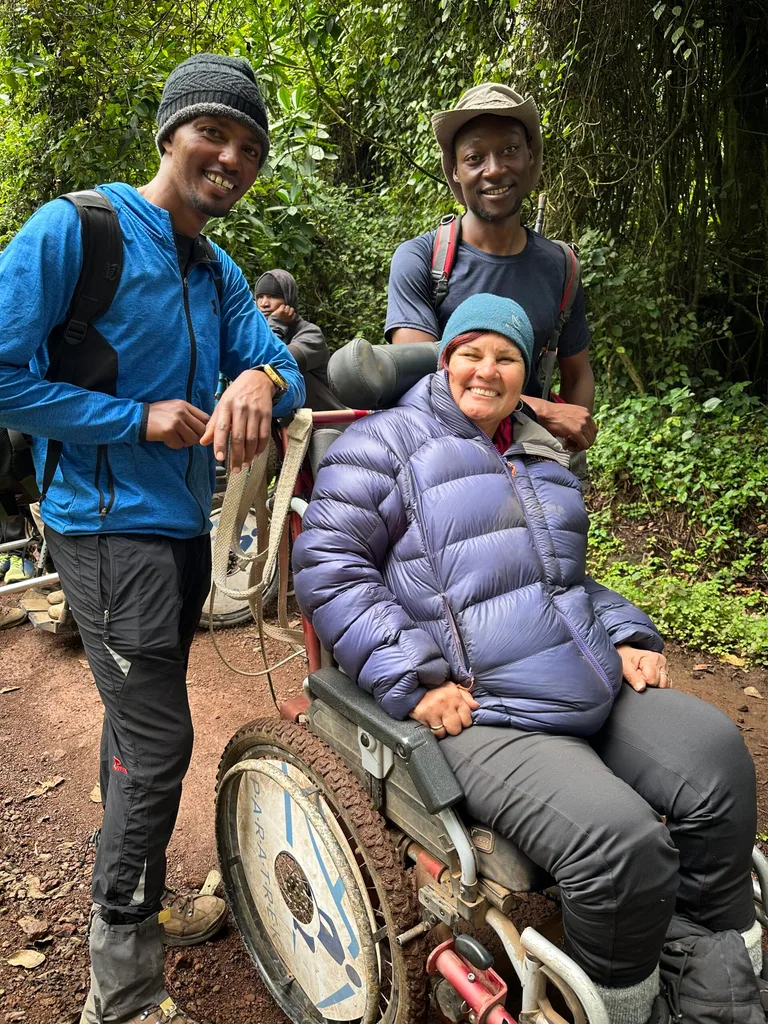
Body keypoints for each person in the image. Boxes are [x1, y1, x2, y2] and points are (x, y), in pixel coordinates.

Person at [293, 294, 759, 1024]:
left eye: (506, 357)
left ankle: (706, 971)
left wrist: (629, 633)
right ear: (445, 360)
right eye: (470, 353)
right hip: (484, 708)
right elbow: (327, 565)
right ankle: (627, 1005)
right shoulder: (383, 444)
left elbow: (564, 579)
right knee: (618, 844)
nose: (487, 370)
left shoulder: (537, 452)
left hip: (582, 677)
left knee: (716, 763)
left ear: (524, 373)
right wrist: (414, 678)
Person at [0, 53, 305, 1024]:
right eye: (214, 133)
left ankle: (138, 894)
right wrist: (137, 421)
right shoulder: (76, 229)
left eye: (250, 147)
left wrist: (265, 379)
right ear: (171, 133)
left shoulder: (216, 272)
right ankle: (120, 988)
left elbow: (280, 370)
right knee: (161, 735)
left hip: (179, 529)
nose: (231, 157)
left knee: (139, 724)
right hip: (101, 528)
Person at [385, 82, 598, 454]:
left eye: (510, 150)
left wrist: (569, 444)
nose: (494, 170)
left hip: (530, 463)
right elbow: (421, 379)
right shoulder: (422, 260)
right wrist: (539, 409)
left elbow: (577, 372)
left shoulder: (561, 266)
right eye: (474, 158)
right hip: (439, 461)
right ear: (454, 171)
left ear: (531, 158)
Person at [253, 268, 344, 410]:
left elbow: (272, 365)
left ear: (288, 300)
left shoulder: (311, 335)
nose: (264, 303)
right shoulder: (256, 336)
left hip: (323, 425)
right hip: (285, 428)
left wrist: (276, 323)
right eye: (259, 297)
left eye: (272, 296)